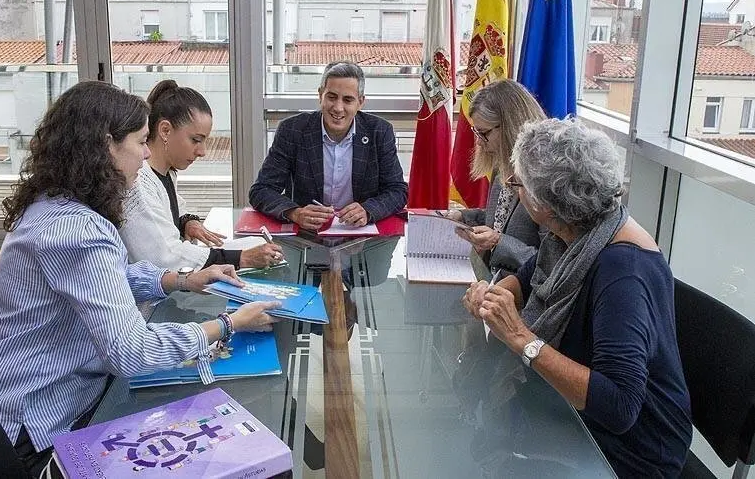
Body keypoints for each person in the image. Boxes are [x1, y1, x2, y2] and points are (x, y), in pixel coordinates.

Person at [0, 81, 280, 478]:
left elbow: (108, 277)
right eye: (139, 141)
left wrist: (180, 281)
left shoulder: (56, 204)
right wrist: (227, 324)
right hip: (19, 431)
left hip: (0, 405)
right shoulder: (77, 229)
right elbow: (131, 351)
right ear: (106, 146)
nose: (146, 152)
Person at [462, 119, 692, 477]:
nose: (513, 188)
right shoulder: (574, 231)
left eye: (518, 183)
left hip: (629, 452)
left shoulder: (623, 273)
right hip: (569, 414)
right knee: (475, 440)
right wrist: (491, 296)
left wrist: (520, 338)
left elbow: (619, 406)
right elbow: (526, 280)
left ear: (546, 204)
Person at [120, 79, 283, 270]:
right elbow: (166, 256)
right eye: (195, 140)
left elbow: (169, 212)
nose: (202, 151)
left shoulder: (166, 172)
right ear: (165, 130)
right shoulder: (138, 183)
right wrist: (242, 258)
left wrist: (187, 222)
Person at [248, 61, 408, 230]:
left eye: (348, 100)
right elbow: (261, 190)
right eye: (331, 97)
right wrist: (295, 213)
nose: (338, 108)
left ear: (360, 102)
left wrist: (368, 210)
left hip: (361, 234)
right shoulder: (292, 130)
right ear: (320, 95)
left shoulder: (379, 132)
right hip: (307, 234)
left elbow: (397, 190)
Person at [447, 79, 546, 276]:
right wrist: (463, 217)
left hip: (522, 288)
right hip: (491, 278)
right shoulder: (502, 163)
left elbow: (550, 264)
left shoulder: (545, 177)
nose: (479, 142)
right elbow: (500, 219)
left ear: (511, 126)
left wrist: (498, 242)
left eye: (484, 133)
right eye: (476, 132)